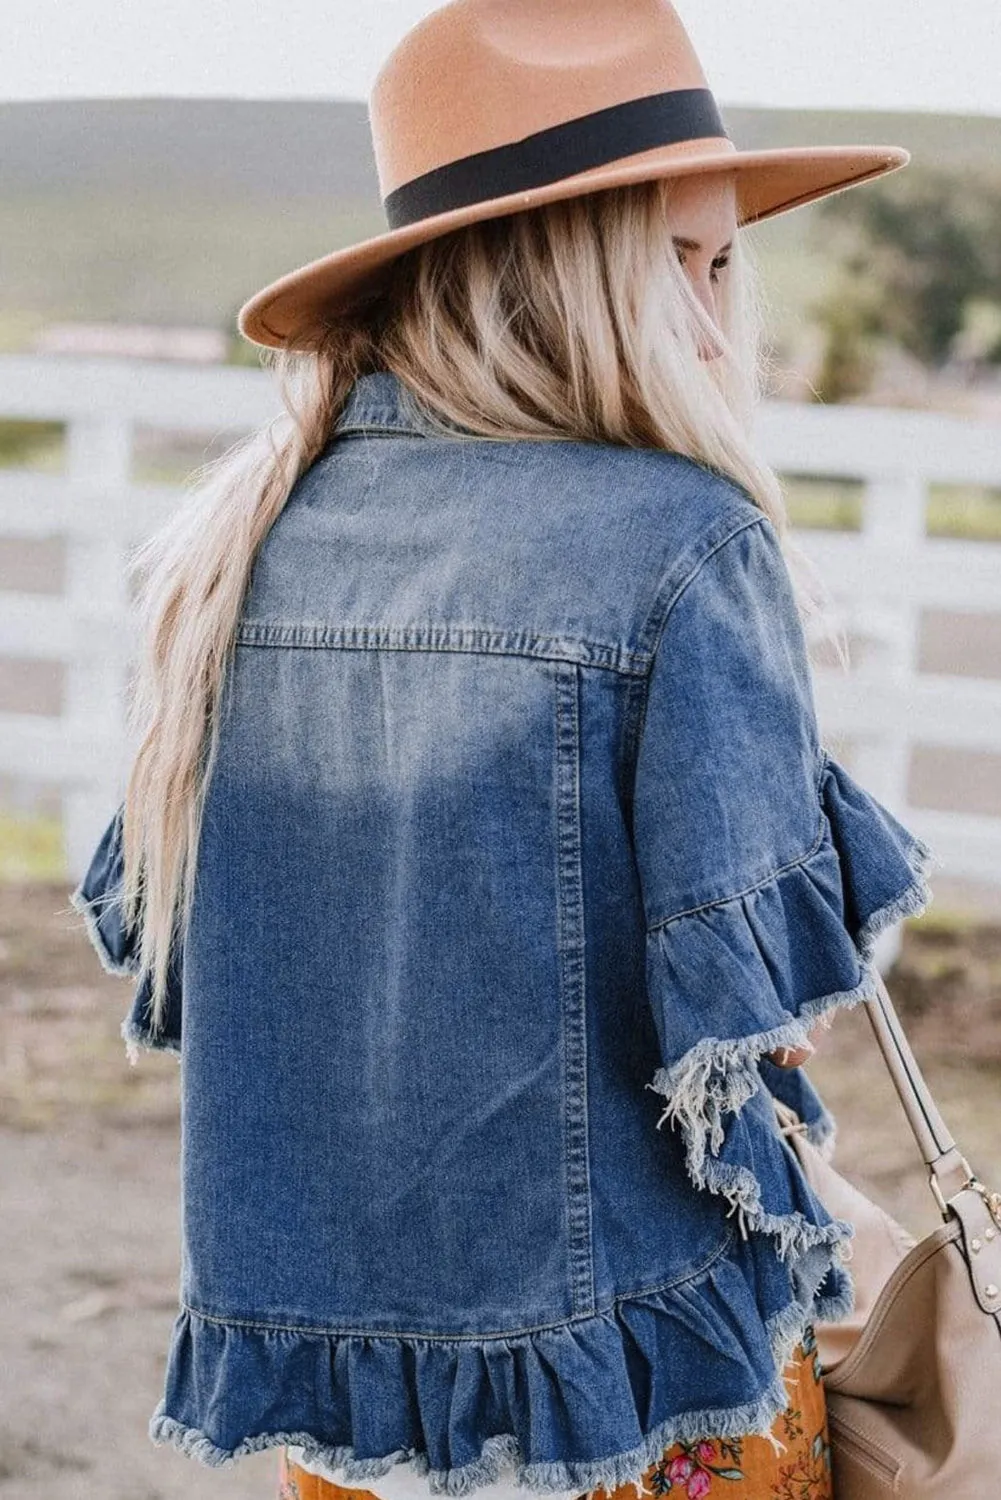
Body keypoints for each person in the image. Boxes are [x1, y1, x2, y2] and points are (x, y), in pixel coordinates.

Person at [68, 3, 934, 1499]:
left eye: (731, 262)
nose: (725, 319)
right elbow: (754, 1040)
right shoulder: (681, 544)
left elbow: (242, 994)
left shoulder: (246, 546)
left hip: (352, 1429)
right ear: (561, 268)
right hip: (639, 1404)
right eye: (686, 260)